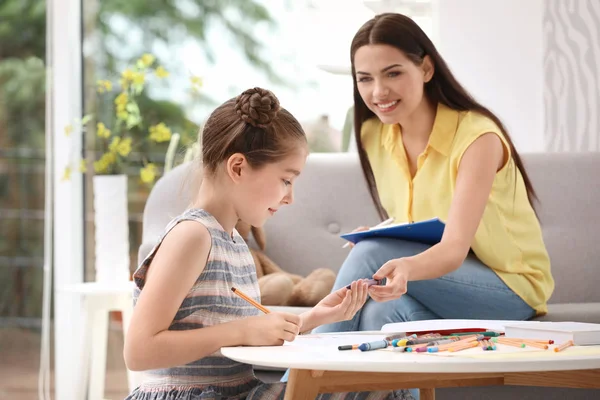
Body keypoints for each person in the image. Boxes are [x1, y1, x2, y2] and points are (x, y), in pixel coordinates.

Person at [123, 87, 413, 400]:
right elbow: (139, 351)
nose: (290, 197)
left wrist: (314, 318)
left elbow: (244, 329)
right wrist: (243, 331)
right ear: (237, 168)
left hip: (239, 392)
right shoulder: (192, 236)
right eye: (286, 180)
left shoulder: (233, 241)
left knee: (379, 392)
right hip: (189, 395)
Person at [315, 12, 554, 335]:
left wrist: (393, 259)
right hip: (444, 282)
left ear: (426, 68)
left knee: (370, 254)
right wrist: (386, 236)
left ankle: (296, 380)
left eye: (393, 73)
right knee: (381, 315)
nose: (378, 92)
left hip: (511, 288)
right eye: (365, 78)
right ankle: (387, 390)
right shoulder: (374, 134)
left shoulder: (477, 138)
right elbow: (422, 221)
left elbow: (454, 249)